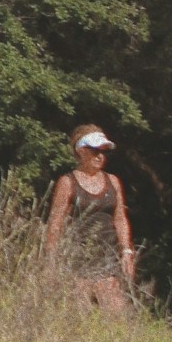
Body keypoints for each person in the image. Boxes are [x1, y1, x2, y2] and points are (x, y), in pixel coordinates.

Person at [44, 125, 136, 313]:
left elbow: (120, 218)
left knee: (116, 318)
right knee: (80, 318)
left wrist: (127, 251)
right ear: (81, 151)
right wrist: (51, 262)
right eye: (94, 151)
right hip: (78, 261)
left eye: (103, 152)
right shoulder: (67, 183)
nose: (100, 156)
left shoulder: (113, 181)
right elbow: (55, 223)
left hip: (108, 259)